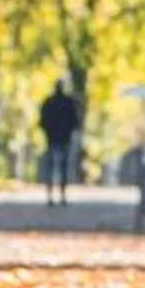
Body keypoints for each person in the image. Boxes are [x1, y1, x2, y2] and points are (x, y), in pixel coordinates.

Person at [38, 78, 83, 206]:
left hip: (52, 140)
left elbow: (42, 121)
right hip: (63, 140)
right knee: (62, 168)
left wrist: (48, 132)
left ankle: (51, 196)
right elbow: (75, 121)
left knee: (51, 168)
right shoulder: (68, 103)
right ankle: (61, 196)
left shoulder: (49, 102)